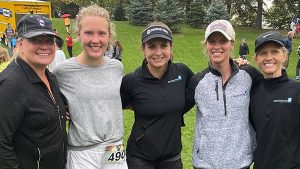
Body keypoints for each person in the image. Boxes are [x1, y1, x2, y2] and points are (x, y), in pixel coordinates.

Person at [52, 5, 128, 169]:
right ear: (78, 34)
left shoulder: (117, 67)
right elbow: (47, 99)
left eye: (101, 33)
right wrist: (60, 108)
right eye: (89, 33)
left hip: (114, 146)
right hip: (82, 151)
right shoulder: (63, 71)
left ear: (109, 36)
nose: (96, 40)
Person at [121, 21, 194, 169]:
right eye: (152, 46)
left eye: (164, 45)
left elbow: (202, 86)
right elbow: (116, 104)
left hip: (172, 157)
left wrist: (233, 67)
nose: (158, 52)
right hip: (140, 158)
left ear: (171, 47)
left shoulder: (182, 72)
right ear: (143, 49)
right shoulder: (132, 80)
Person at [188, 20, 261, 169]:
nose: (217, 46)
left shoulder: (249, 75)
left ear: (232, 43)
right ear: (206, 45)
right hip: (205, 164)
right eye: (212, 41)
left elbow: (271, 92)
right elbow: (173, 107)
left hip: (241, 162)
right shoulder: (197, 82)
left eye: (223, 41)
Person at [0, 14, 67, 169]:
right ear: (20, 44)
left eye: (49, 40)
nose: (44, 46)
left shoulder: (50, 77)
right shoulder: (11, 84)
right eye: (36, 40)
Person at [250, 31, 300, 168]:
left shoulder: (296, 91)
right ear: (256, 59)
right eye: (263, 53)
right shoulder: (252, 91)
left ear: (284, 55)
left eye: (274, 52)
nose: (269, 57)